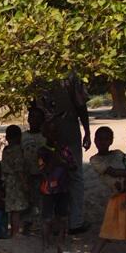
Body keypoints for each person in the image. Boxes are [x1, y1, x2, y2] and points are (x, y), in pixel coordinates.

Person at [81, 126, 126, 253]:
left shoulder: (118, 153)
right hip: (117, 196)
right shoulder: (95, 159)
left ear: (111, 141)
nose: (102, 142)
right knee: (107, 228)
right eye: (100, 139)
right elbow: (114, 172)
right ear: (95, 141)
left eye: (106, 139)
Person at [36, 75, 91, 234]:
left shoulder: (36, 73)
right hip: (62, 129)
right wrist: (86, 130)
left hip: (54, 129)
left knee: (57, 174)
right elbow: (80, 105)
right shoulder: (69, 74)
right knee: (69, 175)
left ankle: (62, 221)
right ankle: (72, 222)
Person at [37, 121, 76, 253]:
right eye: (51, 132)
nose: (55, 135)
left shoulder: (65, 150)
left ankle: (61, 244)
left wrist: (63, 159)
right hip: (48, 189)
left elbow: (73, 167)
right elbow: (43, 171)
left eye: (57, 132)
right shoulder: (42, 151)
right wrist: (56, 157)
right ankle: (45, 246)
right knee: (47, 218)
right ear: (45, 134)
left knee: (63, 217)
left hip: (63, 188)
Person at [21, 106, 46, 233]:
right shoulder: (23, 136)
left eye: (38, 118)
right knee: (27, 199)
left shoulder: (45, 137)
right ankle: (27, 223)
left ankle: (39, 224)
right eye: (32, 117)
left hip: (41, 174)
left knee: (41, 199)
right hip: (27, 173)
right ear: (28, 119)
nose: (34, 120)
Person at [1, 125, 29, 237]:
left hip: (8, 181)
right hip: (16, 182)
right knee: (17, 209)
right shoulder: (17, 150)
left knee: (12, 209)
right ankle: (16, 232)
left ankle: (13, 231)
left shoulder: (6, 150)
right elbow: (19, 169)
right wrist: (25, 184)